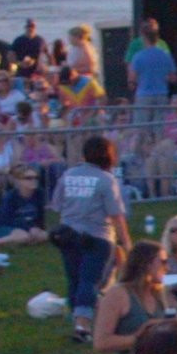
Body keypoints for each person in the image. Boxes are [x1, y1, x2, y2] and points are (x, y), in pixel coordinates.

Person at [51, 134, 129, 342]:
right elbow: (116, 215)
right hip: (97, 236)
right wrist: (126, 242)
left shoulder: (68, 175)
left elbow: (56, 205)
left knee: (74, 278)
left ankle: (78, 317)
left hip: (67, 234)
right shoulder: (106, 179)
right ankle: (83, 325)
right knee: (91, 280)